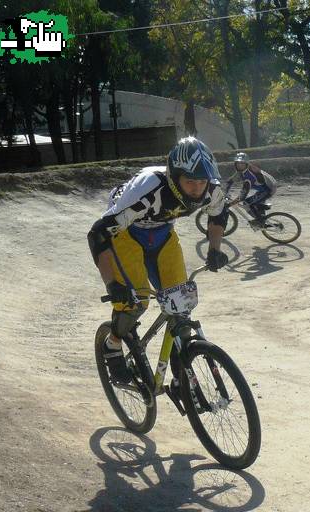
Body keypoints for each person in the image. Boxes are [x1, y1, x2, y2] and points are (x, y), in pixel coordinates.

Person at [87, 136, 229, 383]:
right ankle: (113, 343)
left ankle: (181, 362)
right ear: (174, 178)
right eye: (190, 182)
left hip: (162, 233)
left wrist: (214, 250)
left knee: (181, 304)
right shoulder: (149, 189)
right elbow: (97, 234)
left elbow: (218, 215)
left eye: (202, 181)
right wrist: (112, 285)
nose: (197, 188)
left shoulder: (213, 189)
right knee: (135, 304)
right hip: (124, 232)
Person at [225, 153, 277, 229]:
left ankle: (260, 221)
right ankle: (261, 218)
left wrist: (230, 204)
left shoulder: (249, 176)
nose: (240, 166)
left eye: (242, 164)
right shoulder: (242, 171)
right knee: (249, 203)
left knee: (249, 204)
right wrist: (225, 193)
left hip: (269, 189)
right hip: (265, 187)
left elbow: (242, 195)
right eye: (238, 163)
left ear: (246, 164)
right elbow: (230, 181)